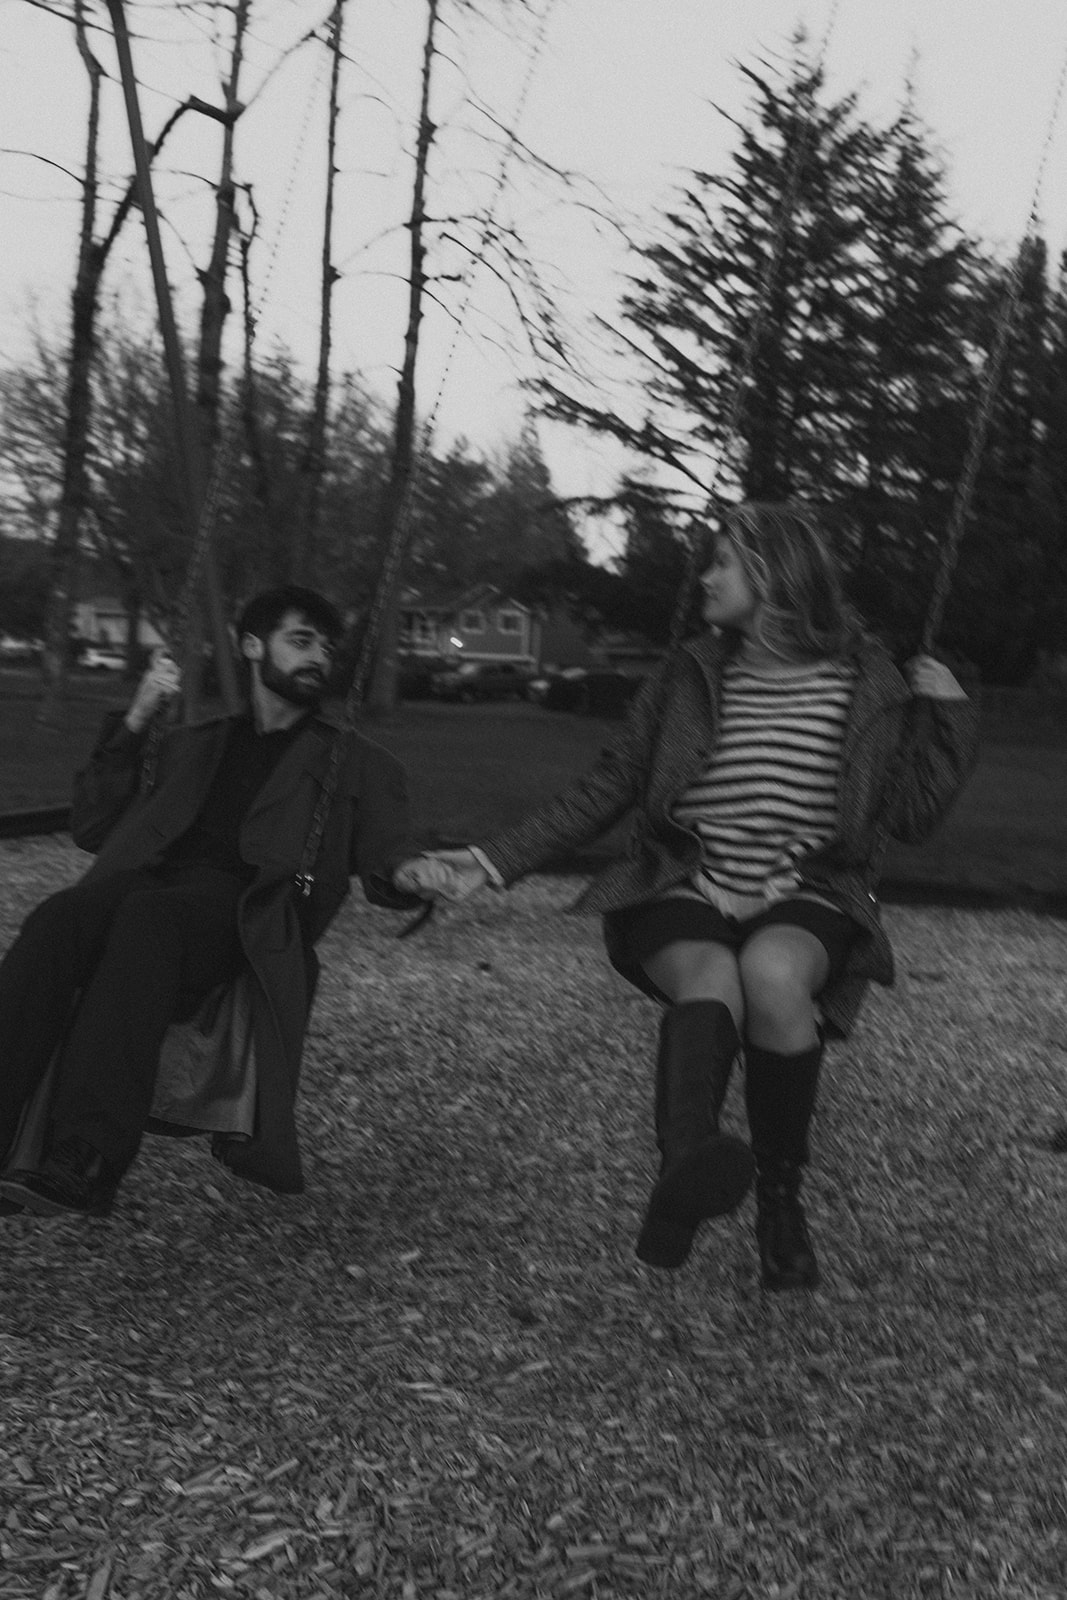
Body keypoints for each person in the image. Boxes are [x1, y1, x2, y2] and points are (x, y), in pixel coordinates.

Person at [396, 503, 980, 1291]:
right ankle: (686, 1165)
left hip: (807, 890)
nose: (705, 577)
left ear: (772, 575)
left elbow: (908, 815)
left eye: (722, 563)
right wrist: (490, 862)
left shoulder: (869, 681)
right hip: (685, 882)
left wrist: (944, 717)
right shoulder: (689, 673)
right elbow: (608, 785)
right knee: (709, 978)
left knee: (774, 979)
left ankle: (780, 1203)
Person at [0, 585, 443, 1220]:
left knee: (148, 921)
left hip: (245, 912)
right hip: (153, 891)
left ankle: (85, 1156)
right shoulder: (191, 743)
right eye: (302, 640)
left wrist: (413, 871)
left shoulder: (358, 763)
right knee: (59, 916)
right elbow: (94, 828)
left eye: (327, 645)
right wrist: (137, 717)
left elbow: (389, 852)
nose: (320, 655)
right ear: (252, 647)